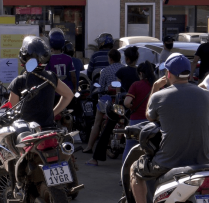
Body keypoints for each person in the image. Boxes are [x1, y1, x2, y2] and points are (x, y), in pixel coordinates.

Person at [130, 53, 209, 203]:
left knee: (135, 169)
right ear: (188, 73)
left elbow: (149, 116)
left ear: (168, 74)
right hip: (203, 161)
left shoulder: (159, 96)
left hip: (168, 162)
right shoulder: (206, 95)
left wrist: (155, 87)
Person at [8, 36, 73, 128]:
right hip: (49, 128)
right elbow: (69, 95)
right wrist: (53, 114)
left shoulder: (19, 81)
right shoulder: (51, 77)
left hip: (27, 132)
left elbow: (12, 108)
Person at [83, 49, 124, 155]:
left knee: (97, 122)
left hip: (107, 99)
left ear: (110, 59)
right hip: (121, 100)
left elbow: (100, 89)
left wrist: (99, 97)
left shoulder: (105, 71)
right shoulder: (124, 69)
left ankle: (89, 146)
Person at [122, 60, 155, 163]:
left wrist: (132, 106)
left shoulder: (136, 85)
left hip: (136, 121)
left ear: (140, 73)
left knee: (129, 148)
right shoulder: (157, 86)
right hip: (153, 122)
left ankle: (125, 176)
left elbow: (127, 103)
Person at [45, 28, 77, 104]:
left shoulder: (48, 59)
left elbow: (46, 76)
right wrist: (75, 88)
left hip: (54, 91)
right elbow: (73, 76)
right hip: (66, 90)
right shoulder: (68, 58)